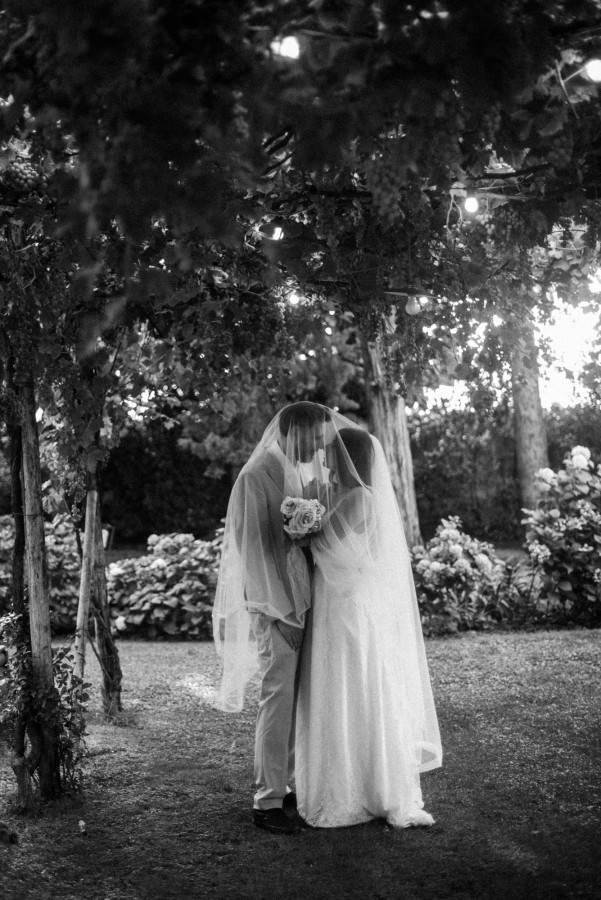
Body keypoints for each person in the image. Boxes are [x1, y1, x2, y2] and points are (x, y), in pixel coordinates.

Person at [294, 420, 442, 828]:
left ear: (349, 457)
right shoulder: (334, 494)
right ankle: (337, 779)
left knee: (352, 681)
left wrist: (302, 528)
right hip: (329, 599)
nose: (325, 457)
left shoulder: (361, 497)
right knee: (331, 683)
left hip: (348, 603)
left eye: (331, 452)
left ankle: (370, 786)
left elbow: (327, 543)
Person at [213, 401, 332, 835]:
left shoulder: (295, 471)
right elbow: (253, 553)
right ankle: (266, 802)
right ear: (292, 431)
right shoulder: (255, 476)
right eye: (313, 438)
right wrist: (281, 613)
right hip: (273, 605)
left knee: (295, 699)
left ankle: (286, 786)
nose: (318, 447)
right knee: (277, 698)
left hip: (299, 598)